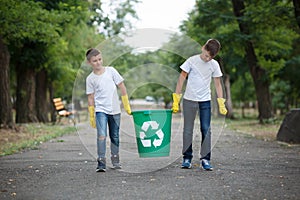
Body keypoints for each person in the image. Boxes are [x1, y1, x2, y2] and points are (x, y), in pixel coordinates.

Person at [172, 39, 227, 171]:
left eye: (211, 57)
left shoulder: (214, 65)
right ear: (203, 48)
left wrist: (221, 101)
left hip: (205, 101)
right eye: (206, 55)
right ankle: (187, 158)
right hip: (189, 100)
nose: (207, 59)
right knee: (187, 130)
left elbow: (218, 84)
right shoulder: (191, 61)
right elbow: (181, 78)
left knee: (206, 129)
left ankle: (205, 159)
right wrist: (176, 98)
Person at [86, 48, 131, 172]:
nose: (98, 63)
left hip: (115, 109)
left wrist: (126, 103)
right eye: (95, 61)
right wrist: (91, 114)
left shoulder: (111, 71)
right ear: (89, 62)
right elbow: (90, 97)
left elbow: (121, 86)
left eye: (100, 59)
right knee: (101, 135)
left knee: (115, 136)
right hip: (101, 110)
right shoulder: (90, 79)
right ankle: (101, 162)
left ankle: (115, 159)